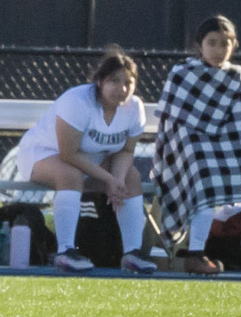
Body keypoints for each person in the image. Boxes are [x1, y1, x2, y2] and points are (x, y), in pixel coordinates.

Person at [153, 15, 241, 278]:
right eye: (212, 43)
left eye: (225, 43)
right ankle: (195, 254)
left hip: (234, 148)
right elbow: (174, 124)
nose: (219, 50)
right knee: (205, 177)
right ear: (200, 45)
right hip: (195, 149)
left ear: (234, 45)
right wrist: (201, 145)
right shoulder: (182, 74)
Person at [16, 50, 155, 275]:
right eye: (114, 81)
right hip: (42, 153)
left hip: (91, 161)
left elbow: (127, 151)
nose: (122, 89)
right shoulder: (77, 101)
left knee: (131, 177)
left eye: (128, 82)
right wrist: (108, 179)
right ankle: (65, 251)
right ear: (99, 81)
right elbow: (68, 154)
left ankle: (132, 253)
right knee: (70, 175)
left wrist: (117, 181)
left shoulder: (134, 107)